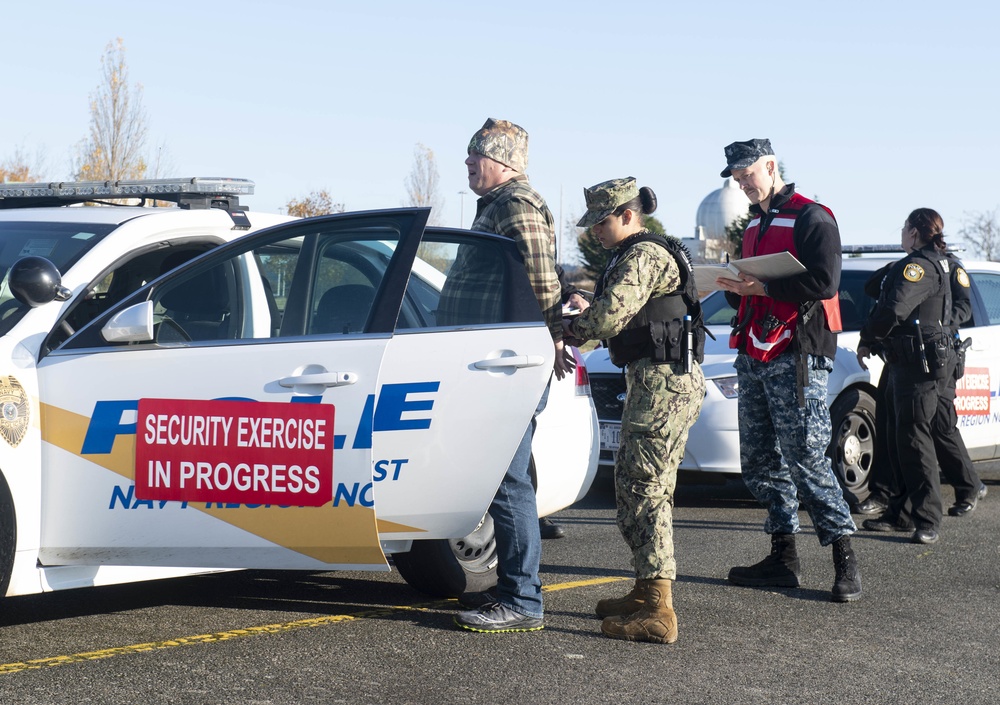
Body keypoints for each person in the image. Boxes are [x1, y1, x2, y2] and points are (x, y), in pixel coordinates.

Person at [717, 139, 861, 603]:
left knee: (807, 457)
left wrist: (763, 284)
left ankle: (845, 560)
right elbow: (750, 293)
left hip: (797, 353)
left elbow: (824, 282)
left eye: (747, 175)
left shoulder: (812, 216)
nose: (742, 185)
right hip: (753, 352)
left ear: (771, 166)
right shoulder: (753, 225)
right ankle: (784, 558)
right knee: (759, 459)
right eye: (736, 180)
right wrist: (735, 289)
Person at [563, 177, 705, 644]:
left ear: (628, 215)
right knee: (636, 486)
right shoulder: (633, 256)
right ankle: (647, 590)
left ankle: (659, 610)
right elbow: (621, 316)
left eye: (601, 222)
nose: (594, 232)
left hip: (663, 384)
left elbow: (608, 317)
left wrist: (566, 327)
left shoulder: (643, 255)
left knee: (645, 487)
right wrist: (592, 311)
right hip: (655, 381)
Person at [450, 118, 572, 633]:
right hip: (491, 362)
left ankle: (522, 599)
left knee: (508, 481)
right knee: (505, 478)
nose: (468, 165)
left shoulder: (516, 205)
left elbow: (543, 280)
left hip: (504, 368)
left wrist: (555, 335)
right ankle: (514, 591)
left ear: (502, 161)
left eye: (474, 156)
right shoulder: (499, 206)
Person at [857, 209, 968, 544]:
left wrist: (868, 337)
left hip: (919, 367)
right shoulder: (914, 263)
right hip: (906, 362)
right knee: (898, 439)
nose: (902, 233)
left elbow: (894, 308)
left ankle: (927, 519)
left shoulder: (919, 266)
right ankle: (901, 513)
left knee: (914, 441)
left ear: (916, 232)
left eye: (905, 228)